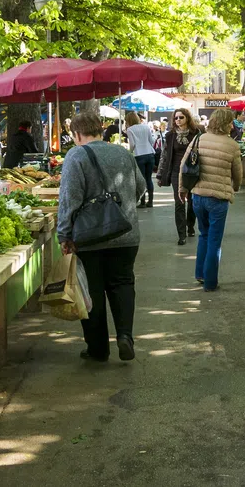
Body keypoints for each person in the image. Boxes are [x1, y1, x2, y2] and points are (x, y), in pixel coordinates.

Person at [57, 112, 146, 362]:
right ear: (100, 129)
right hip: (126, 233)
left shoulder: (76, 155)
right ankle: (125, 336)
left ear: (76, 134)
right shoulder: (122, 153)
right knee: (123, 284)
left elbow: (69, 199)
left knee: (92, 290)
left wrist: (64, 234)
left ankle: (97, 348)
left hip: (90, 237)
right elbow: (140, 187)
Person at [178, 110, 242, 291]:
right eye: (231, 122)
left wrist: (182, 189)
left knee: (203, 235)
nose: (232, 125)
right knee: (214, 240)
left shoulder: (199, 139)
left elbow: (184, 165)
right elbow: (237, 173)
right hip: (218, 199)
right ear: (226, 123)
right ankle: (210, 282)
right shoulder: (232, 145)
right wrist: (235, 187)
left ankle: (200, 274)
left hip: (198, 196)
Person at [157, 108, 199, 245]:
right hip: (176, 172)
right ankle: (181, 235)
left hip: (192, 171)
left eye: (181, 117)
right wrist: (160, 174)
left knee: (192, 202)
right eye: (176, 118)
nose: (178, 120)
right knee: (179, 202)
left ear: (187, 118)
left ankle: (190, 225)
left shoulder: (196, 134)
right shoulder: (170, 135)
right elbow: (164, 155)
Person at [125, 112, 156, 208]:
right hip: (150, 154)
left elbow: (132, 144)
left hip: (139, 155)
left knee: (141, 179)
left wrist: (129, 152)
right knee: (149, 178)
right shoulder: (146, 127)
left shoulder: (130, 130)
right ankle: (150, 201)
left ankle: (142, 201)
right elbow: (152, 141)